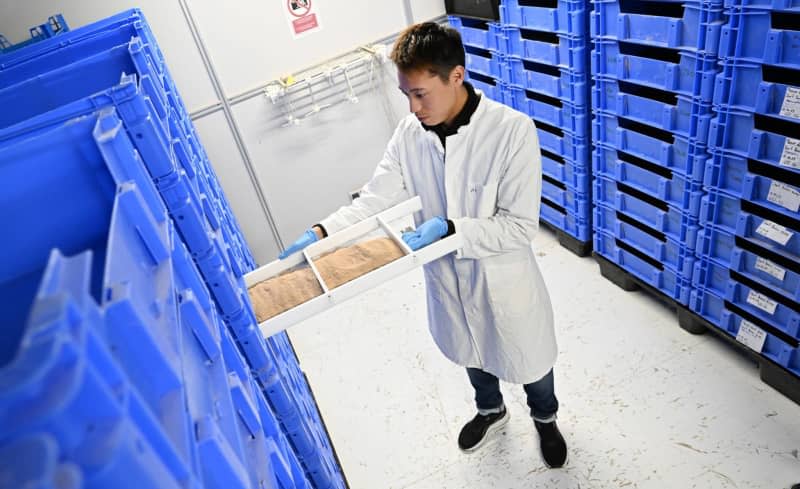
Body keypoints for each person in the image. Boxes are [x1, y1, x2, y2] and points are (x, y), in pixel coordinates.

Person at [279, 22, 567, 468]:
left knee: (529, 359)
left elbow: (519, 227)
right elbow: (375, 196)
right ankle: (490, 410)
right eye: (406, 95)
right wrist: (321, 233)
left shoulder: (512, 132)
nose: (412, 107)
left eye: (419, 94)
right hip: (449, 279)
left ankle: (545, 418)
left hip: (504, 280)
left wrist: (451, 229)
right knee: (473, 349)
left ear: (456, 76)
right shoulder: (410, 132)